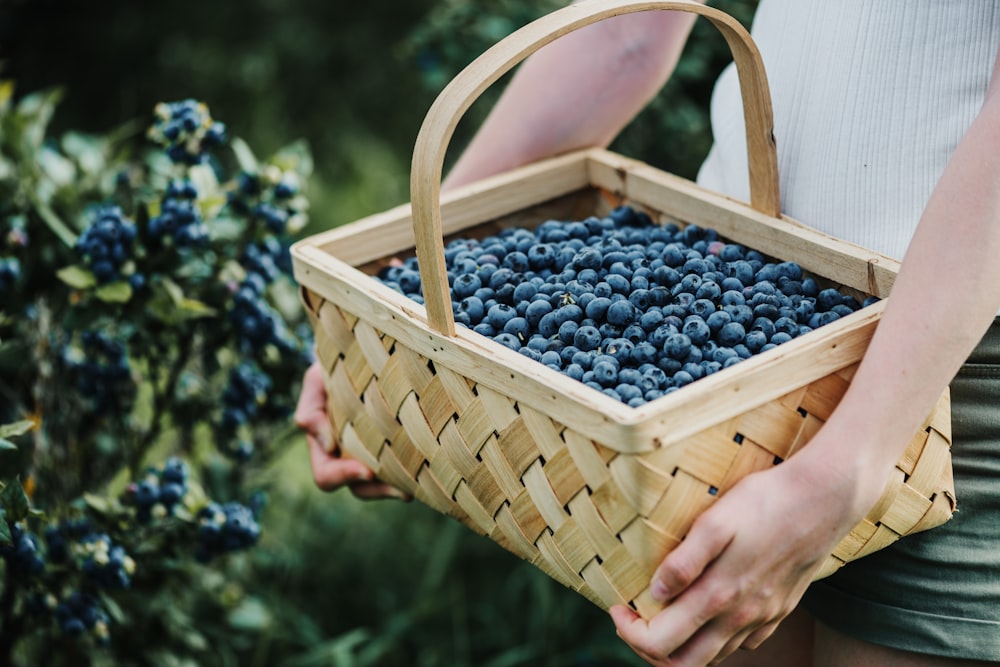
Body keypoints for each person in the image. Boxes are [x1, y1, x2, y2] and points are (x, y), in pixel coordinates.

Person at [295, 1, 1000, 664]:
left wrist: (846, 463)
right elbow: (624, 28)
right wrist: (403, 297)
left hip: (942, 362)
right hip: (725, 311)